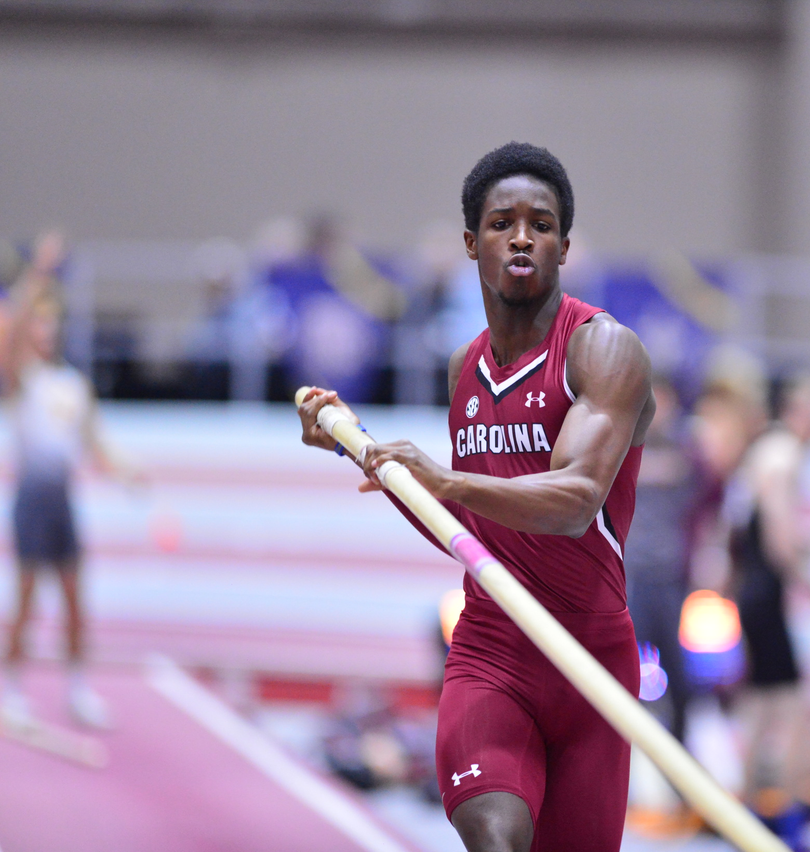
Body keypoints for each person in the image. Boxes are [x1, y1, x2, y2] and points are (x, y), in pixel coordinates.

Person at [298, 142, 655, 852]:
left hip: (590, 659)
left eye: (541, 223)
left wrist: (444, 479)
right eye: (501, 223)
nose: (521, 236)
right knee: (498, 838)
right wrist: (363, 450)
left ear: (563, 246)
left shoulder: (603, 351)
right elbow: (465, 523)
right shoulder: (466, 367)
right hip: (493, 651)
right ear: (471, 242)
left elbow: (577, 499)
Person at [0, 232, 136, 729]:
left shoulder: (73, 384)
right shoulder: (23, 378)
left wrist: (125, 473)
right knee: (27, 596)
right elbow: (10, 332)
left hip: (62, 497)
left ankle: (78, 689)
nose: (44, 330)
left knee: (76, 598)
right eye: (39, 321)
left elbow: (94, 442)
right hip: (31, 495)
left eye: (51, 322)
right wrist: (41, 270)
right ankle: (12, 690)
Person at [724, 374, 810, 820]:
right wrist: (806, 577)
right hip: (764, 588)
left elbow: (743, 525)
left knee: (763, 698)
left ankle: (747, 796)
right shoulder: (784, 453)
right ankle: (777, 806)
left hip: (755, 586)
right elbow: (774, 528)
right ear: (799, 410)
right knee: (788, 702)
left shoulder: (767, 450)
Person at [622, 374, 703, 743]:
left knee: (679, 673)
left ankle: (681, 755)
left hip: (669, 576)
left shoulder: (687, 451)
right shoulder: (623, 446)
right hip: (632, 575)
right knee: (623, 670)